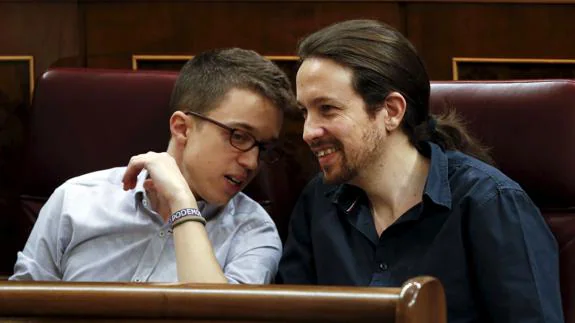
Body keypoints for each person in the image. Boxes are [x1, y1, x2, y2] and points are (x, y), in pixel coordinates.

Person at [277, 19, 564, 322]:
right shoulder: (318, 200)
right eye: (305, 112)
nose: (308, 132)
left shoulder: (490, 202)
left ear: (391, 111)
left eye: (327, 109)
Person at [11, 48, 295, 284]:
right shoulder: (75, 200)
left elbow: (218, 316)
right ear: (182, 128)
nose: (252, 162)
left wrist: (182, 203)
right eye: (239, 136)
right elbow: (23, 309)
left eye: (263, 147)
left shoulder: (254, 232)